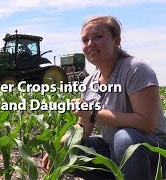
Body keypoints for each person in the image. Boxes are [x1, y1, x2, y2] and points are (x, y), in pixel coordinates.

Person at [42, 15, 166, 180]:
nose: (90, 44)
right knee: (76, 150)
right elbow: (84, 126)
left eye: (98, 37)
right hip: (114, 148)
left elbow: (147, 123)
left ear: (116, 40)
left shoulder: (135, 68)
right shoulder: (89, 82)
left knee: (124, 139)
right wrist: (59, 147)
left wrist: (93, 112)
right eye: (85, 40)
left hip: (153, 151)